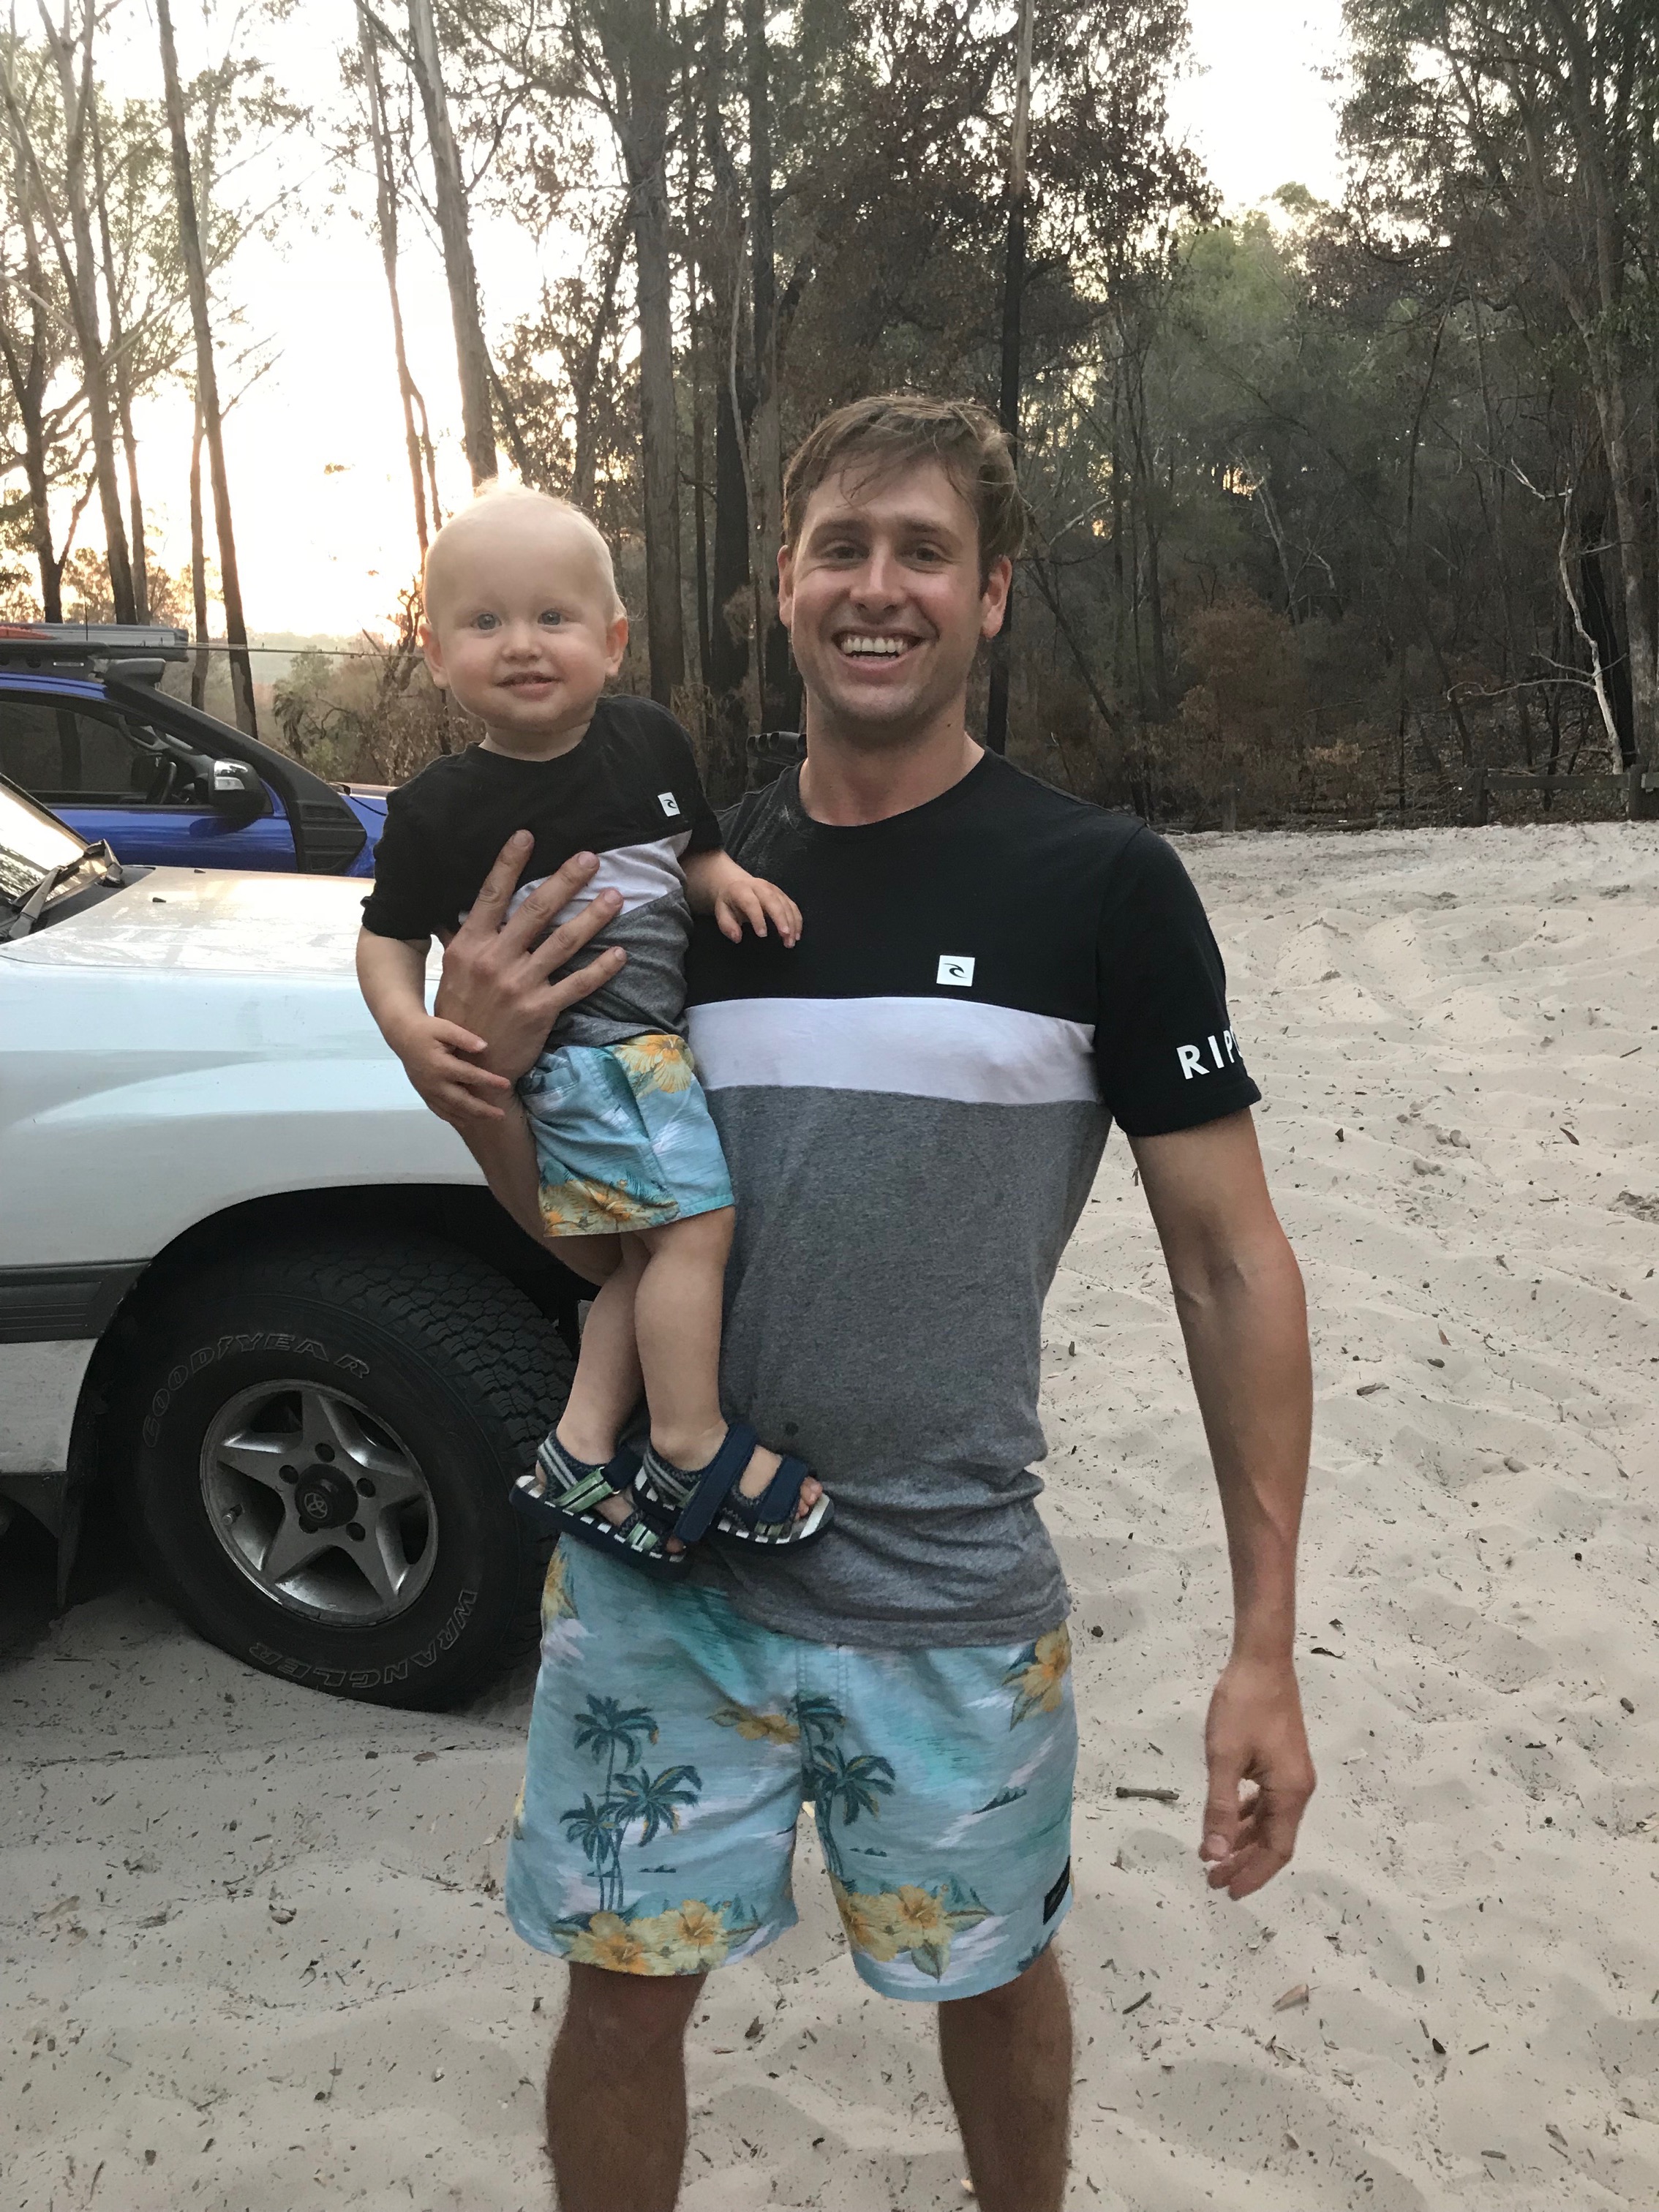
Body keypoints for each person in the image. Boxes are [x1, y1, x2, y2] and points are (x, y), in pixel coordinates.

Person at [420, 396, 1316, 2212]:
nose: (879, 587)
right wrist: (482, 1092)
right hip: (662, 1587)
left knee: (993, 1985)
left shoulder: (1103, 884)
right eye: (843, 547)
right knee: (619, 2002)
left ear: (992, 596)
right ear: (783, 586)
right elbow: (595, 1248)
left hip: (950, 1588)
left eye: (925, 551)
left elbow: (1229, 1267)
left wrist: (1264, 1645)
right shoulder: (668, 885)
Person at [356, 484, 831, 1570]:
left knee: (639, 1259)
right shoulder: (436, 809)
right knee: (698, 1233)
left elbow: (689, 852)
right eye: (485, 622)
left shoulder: (651, 743)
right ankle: (686, 1443)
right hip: (593, 1059)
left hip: (650, 1054)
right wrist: (409, 1030)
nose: (522, 644)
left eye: (553, 617)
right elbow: (387, 941)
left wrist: (725, 879)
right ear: (437, 654)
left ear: (613, 642)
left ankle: (574, 1452)